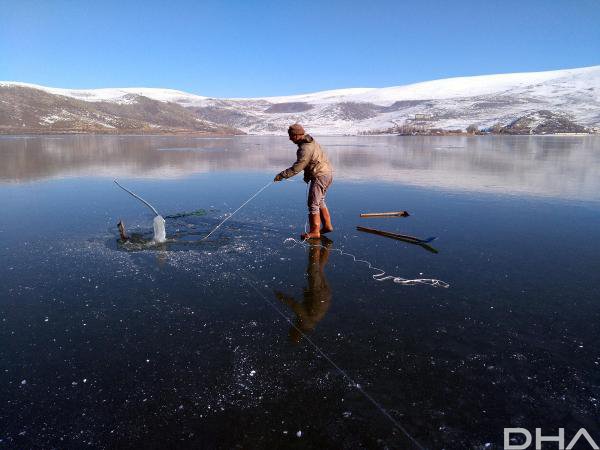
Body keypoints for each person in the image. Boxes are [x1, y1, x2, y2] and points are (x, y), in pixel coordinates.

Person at [274, 124, 333, 240]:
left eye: (291, 136)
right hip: (327, 173)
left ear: (296, 135)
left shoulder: (305, 148)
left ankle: (315, 231)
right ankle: (327, 226)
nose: (290, 139)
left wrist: (281, 175)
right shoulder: (310, 142)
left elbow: (297, 167)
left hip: (320, 175)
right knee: (320, 200)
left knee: (313, 203)